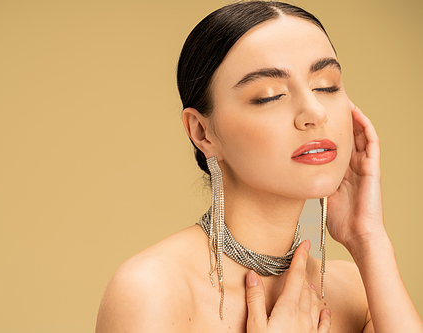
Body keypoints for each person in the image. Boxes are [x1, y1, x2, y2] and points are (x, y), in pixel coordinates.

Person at [96, 1, 423, 332]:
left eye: (326, 85)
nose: (315, 112)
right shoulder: (152, 291)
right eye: (269, 95)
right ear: (202, 132)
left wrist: (368, 240)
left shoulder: (355, 290)